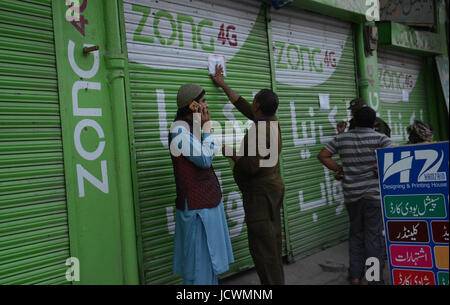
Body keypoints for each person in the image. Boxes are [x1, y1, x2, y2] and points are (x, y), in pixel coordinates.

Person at [210, 65, 285, 285]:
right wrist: (222, 84)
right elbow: (243, 106)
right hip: (271, 190)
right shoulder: (269, 120)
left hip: (260, 195)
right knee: (271, 243)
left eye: (254, 100)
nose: (251, 102)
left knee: (263, 249)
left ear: (259, 106)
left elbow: (252, 166)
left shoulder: (262, 131)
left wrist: (232, 154)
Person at [317, 106, 394, 285]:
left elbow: (323, 155)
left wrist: (340, 169)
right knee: (373, 237)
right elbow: (393, 157)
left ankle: (355, 276)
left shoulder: (342, 138)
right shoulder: (381, 138)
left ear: (354, 120)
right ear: (374, 122)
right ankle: (374, 279)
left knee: (356, 234)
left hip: (352, 195)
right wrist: (380, 167)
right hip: (373, 196)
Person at [169, 83, 234, 285]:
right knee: (199, 267)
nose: (207, 106)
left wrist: (201, 127)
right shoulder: (179, 131)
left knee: (209, 264)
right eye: (204, 101)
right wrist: (207, 129)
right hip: (196, 209)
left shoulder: (190, 127)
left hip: (206, 204)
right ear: (192, 105)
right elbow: (205, 158)